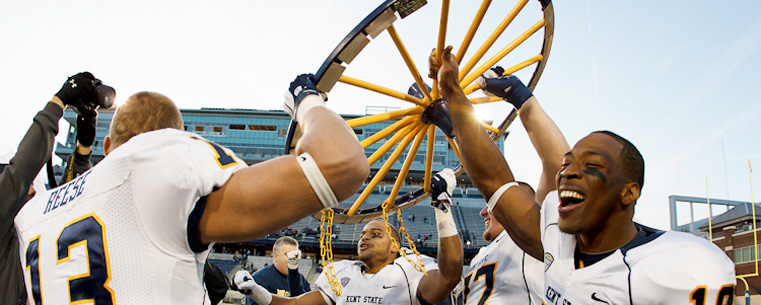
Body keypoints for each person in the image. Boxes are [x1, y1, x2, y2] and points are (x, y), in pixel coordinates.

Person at [14, 74, 369, 304]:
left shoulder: (33, 212)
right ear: (170, 135)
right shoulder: (158, 161)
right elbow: (340, 165)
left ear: (108, 146)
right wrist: (306, 98)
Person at [430, 46, 736, 304]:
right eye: (567, 166)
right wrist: (454, 94)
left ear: (629, 192)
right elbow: (493, 181)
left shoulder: (681, 266)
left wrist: (522, 98)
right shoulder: (557, 242)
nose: (567, 174)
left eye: (592, 165)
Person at [231, 169, 464, 305]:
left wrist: (441, 206)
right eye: (363, 234)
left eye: (376, 234)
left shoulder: (408, 270)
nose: (365, 238)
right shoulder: (343, 272)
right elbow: (295, 304)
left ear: (395, 247)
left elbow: (449, 275)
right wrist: (255, 290)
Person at [464, 67, 569, 304]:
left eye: (490, 205)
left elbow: (558, 165)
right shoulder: (481, 255)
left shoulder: (532, 235)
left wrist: (520, 97)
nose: (483, 212)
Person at [0, 72, 104, 305]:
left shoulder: (27, 228)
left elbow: (70, 208)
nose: (33, 190)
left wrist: (83, 148)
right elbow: (22, 170)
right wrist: (60, 100)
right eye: (27, 186)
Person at [246, 236, 310, 305]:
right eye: (288, 254)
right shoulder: (259, 279)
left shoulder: (302, 280)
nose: (292, 259)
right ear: (276, 256)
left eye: (295, 255)